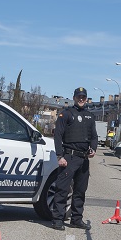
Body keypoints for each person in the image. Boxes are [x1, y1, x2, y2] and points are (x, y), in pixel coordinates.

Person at [51, 87, 98, 231]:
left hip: (83, 159)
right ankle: (57, 220)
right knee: (62, 189)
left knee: (80, 191)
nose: (81, 99)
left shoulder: (90, 116)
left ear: (86, 98)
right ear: (74, 97)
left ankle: (76, 219)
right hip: (69, 158)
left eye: (83, 97)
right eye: (79, 97)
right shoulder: (66, 114)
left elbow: (94, 136)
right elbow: (58, 135)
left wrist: (93, 148)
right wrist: (60, 156)